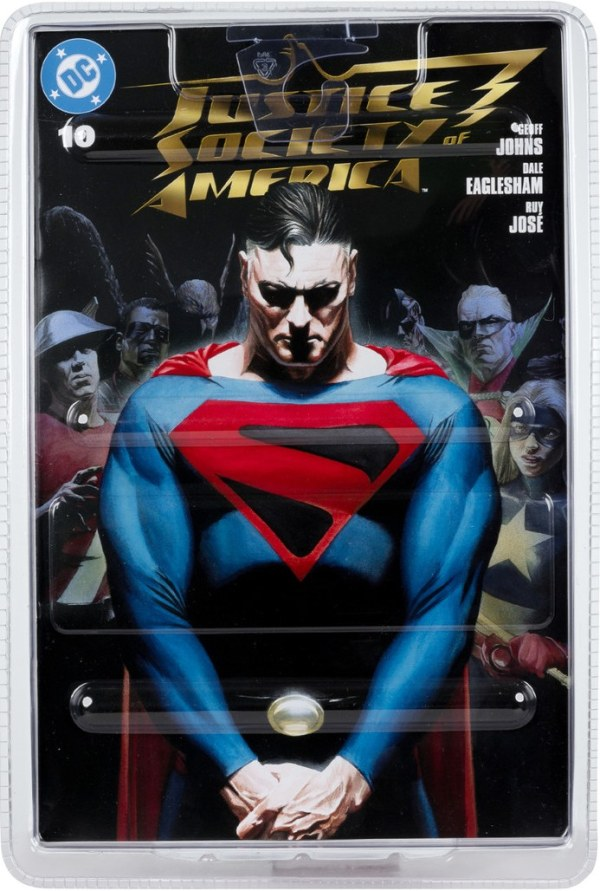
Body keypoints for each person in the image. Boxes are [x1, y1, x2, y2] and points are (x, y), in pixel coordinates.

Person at [100, 183, 500, 842]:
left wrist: (353, 772)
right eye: (276, 295)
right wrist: (238, 771)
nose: (298, 321)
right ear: (244, 275)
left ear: (351, 276)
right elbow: (148, 611)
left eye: (321, 296)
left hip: (376, 778)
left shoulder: (435, 411)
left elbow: (443, 608)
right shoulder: (162, 411)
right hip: (218, 780)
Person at [35, 309, 121, 840]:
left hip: (114, 622)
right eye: (64, 355)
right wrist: (52, 511)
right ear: (45, 371)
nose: (79, 362)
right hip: (50, 625)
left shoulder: (119, 433)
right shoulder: (28, 433)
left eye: (86, 350)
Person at [471, 379, 568, 837]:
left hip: (536, 692)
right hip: (467, 671)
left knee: (528, 806)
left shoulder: (581, 514)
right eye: (521, 429)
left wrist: (560, 649)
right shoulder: (484, 494)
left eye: (547, 434)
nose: (531, 446)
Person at [420, 285, 550, 421]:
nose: (478, 333)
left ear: (512, 332)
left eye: (490, 322)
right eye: (467, 326)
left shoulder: (536, 384)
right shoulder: (444, 386)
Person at [97, 298, 169, 423]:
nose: (152, 339)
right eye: (141, 330)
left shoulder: (176, 395)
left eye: (161, 333)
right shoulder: (98, 397)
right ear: (120, 342)